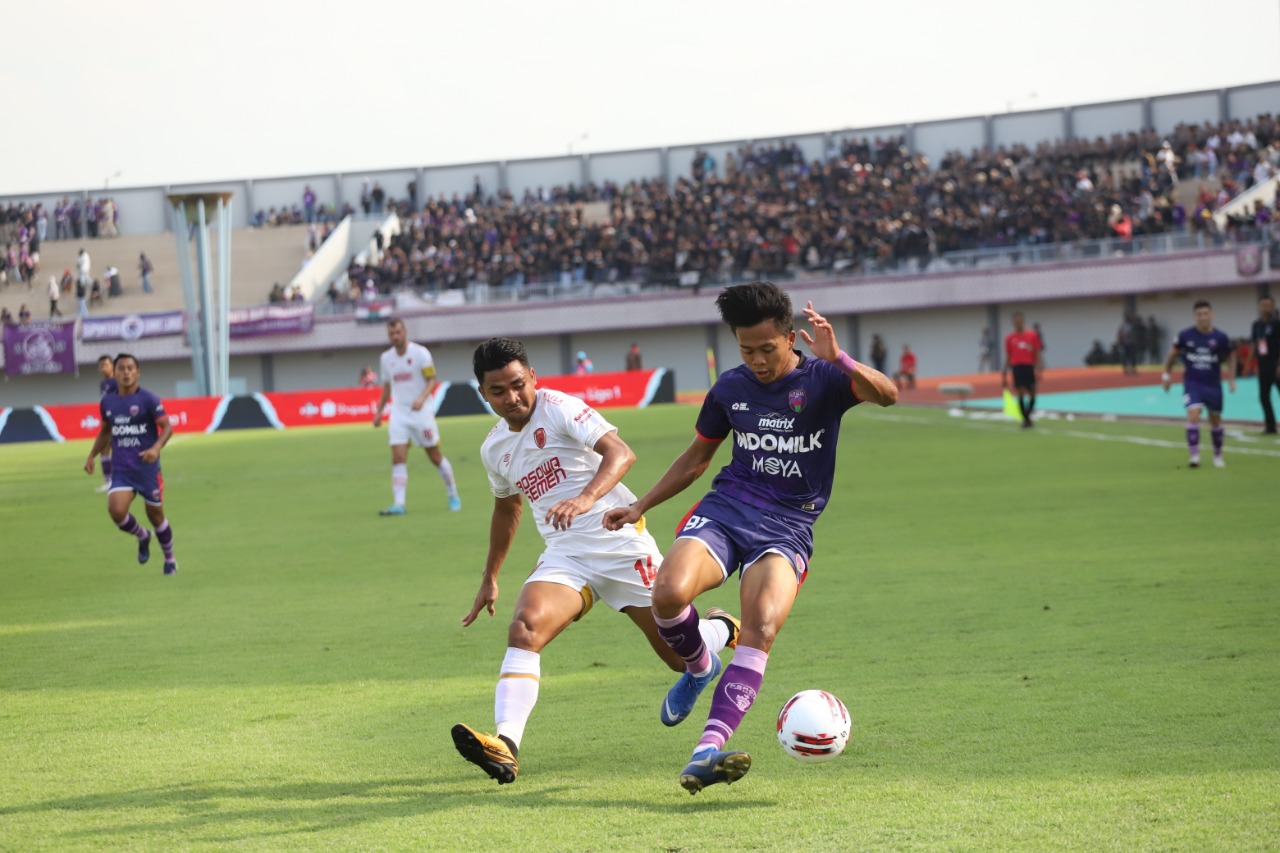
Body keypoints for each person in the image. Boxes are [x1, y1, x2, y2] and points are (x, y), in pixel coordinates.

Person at [602, 281, 898, 794]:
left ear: (791, 337)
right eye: (746, 349)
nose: (758, 360)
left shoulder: (824, 379)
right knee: (667, 595)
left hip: (787, 526)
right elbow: (697, 458)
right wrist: (640, 505)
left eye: (767, 348)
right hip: (726, 509)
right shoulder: (730, 390)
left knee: (760, 625)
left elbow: (889, 396)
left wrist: (841, 358)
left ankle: (706, 752)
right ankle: (699, 665)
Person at [452, 337, 740, 785]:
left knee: (678, 658)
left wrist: (586, 498)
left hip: (621, 544)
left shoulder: (559, 407)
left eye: (517, 385)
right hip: (566, 556)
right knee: (524, 627)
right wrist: (490, 576)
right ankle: (506, 746)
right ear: (483, 394)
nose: (511, 398)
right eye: (498, 392)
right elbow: (507, 509)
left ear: (532, 377)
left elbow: (621, 453)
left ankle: (720, 629)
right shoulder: (494, 449)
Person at [83, 354, 179, 575]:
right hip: (123, 469)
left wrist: (155, 449)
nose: (126, 372)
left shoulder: (149, 399)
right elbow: (106, 431)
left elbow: (167, 427)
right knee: (116, 511)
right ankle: (142, 536)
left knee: (156, 516)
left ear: (138, 372)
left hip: (147, 469)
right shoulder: (108, 402)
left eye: (130, 368)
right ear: (114, 373)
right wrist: (92, 455)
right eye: (121, 369)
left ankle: (170, 559)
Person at [372, 318, 461, 514]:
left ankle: (453, 494)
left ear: (405, 332)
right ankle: (399, 504)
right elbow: (387, 386)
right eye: (391, 334)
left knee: (435, 456)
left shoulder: (421, 354)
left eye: (398, 332)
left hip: (422, 414)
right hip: (399, 414)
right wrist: (379, 412)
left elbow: (431, 380)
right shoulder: (386, 358)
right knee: (397, 457)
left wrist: (422, 398)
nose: (395, 336)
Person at [1162, 300, 1236, 468]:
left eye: (1205, 314)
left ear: (1211, 315)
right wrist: (1166, 375)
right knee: (1193, 414)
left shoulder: (1220, 337)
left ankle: (1218, 455)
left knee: (1215, 420)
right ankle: (1194, 456)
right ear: (1194, 316)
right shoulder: (1185, 335)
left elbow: (1231, 355)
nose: (1202, 317)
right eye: (1199, 315)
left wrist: (1231, 379)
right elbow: (1172, 355)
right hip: (1192, 383)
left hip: (1213, 385)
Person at [1003, 311, 1044, 428]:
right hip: (1017, 367)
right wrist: (1004, 372)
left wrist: (1039, 368)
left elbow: (1037, 352)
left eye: (1020, 320)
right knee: (1020, 392)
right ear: (1013, 323)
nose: (1018, 322)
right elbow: (1008, 355)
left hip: (1029, 366)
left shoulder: (1032, 335)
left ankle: (1027, 416)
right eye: (1016, 320)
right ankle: (1026, 419)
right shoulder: (1010, 338)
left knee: (1032, 393)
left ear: (1023, 321)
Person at [1251, 294, 1280, 434]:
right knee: (1264, 397)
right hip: (1263, 367)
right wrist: (1253, 364)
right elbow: (1256, 345)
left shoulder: (1277, 322)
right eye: (1263, 305)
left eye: (1268, 305)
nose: (1265, 308)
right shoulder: (1256, 325)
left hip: (1277, 365)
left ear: (1273, 306)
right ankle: (1270, 426)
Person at [95, 355, 118, 493]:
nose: (103, 368)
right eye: (101, 365)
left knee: (114, 449)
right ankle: (109, 481)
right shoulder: (103, 384)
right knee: (105, 450)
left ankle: (112, 481)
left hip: (118, 420)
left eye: (106, 364)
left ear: (112, 366)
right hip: (109, 421)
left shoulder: (117, 381)